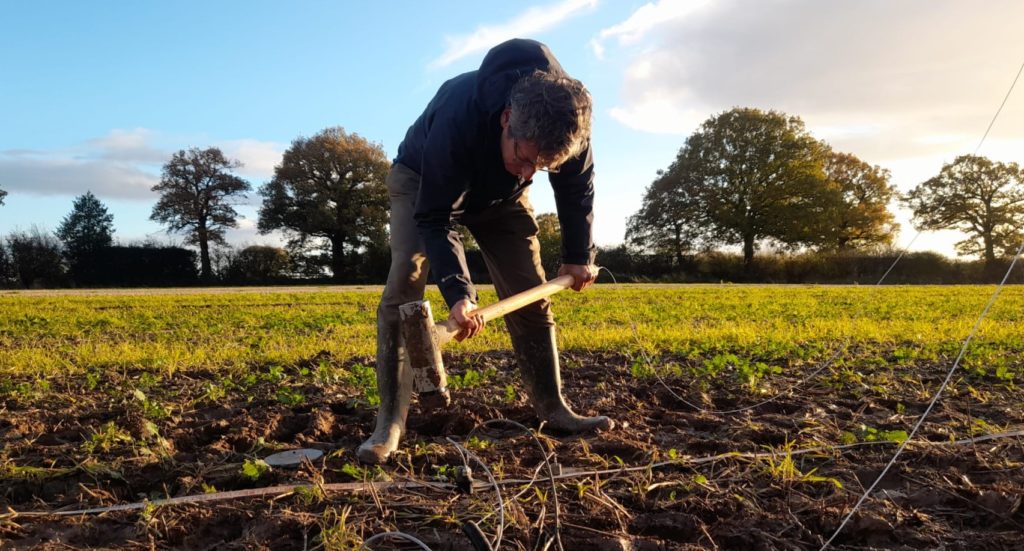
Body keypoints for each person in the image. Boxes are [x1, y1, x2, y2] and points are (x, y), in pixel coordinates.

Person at [357, 38, 613, 465]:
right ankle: (389, 424)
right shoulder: (459, 117)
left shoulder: (568, 125)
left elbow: (576, 188)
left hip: (502, 198)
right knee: (406, 278)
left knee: (530, 288)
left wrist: (577, 254)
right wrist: (459, 295)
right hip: (424, 181)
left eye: (543, 167)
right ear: (507, 119)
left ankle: (552, 408)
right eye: (526, 157)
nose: (532, 173)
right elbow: (437, 219)